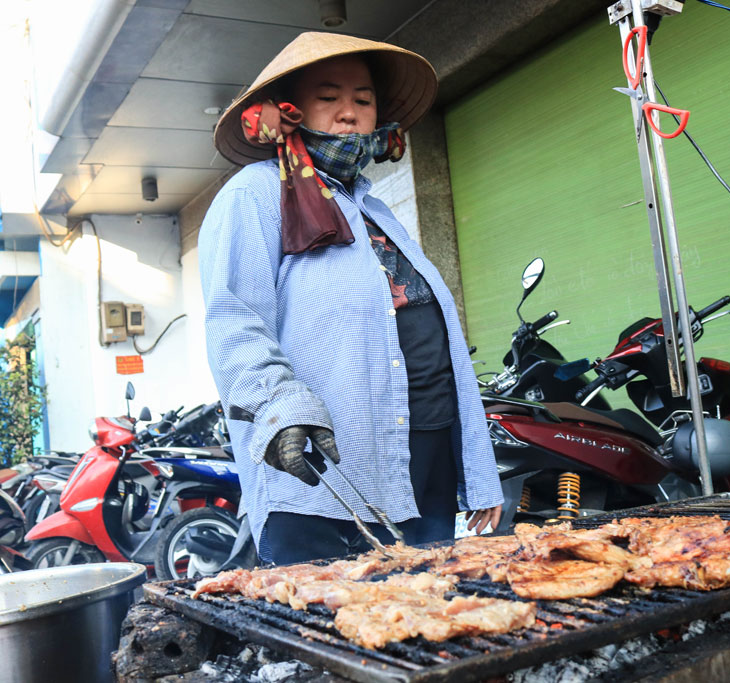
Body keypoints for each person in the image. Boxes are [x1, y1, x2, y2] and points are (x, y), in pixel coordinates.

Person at [198, 32, 503, 565]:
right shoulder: (254, 193)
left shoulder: (373, 207)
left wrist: (476, 469)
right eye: (329, 97)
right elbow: (235, 320)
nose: (349, 114)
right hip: (323, 467)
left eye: (363, 100)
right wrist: (279, 409)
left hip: (423, 453)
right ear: (287, 111)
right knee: (330, 625)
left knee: (426, 612)